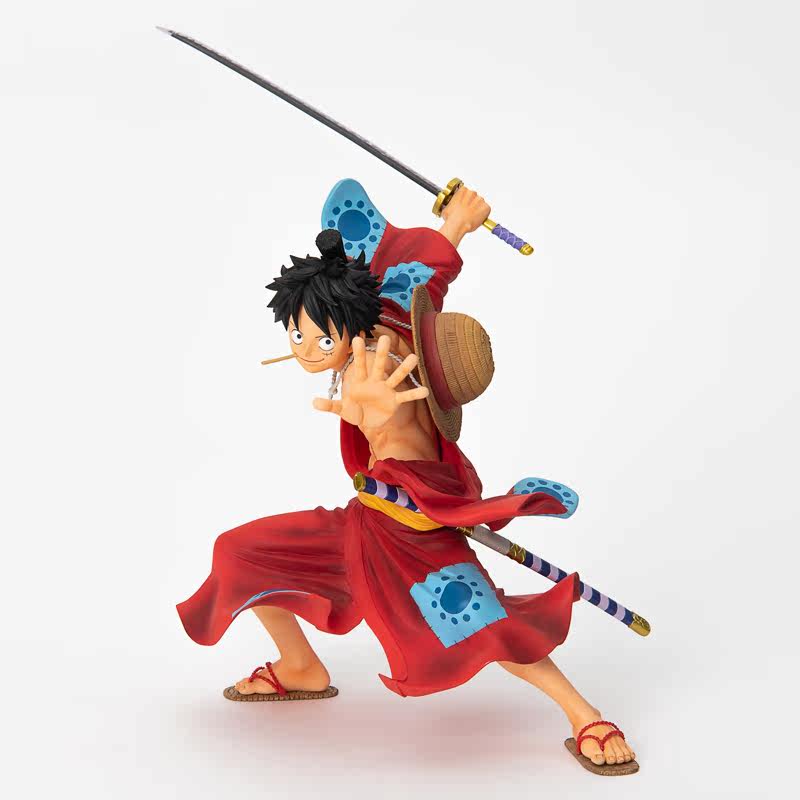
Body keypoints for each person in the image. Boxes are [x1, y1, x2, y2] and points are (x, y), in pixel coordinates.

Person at [177, 187, 637, 772]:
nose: (308, 353)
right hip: (366, 519)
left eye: (321, 340)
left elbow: (378, 410)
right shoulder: (389, 311)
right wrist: (457, 223)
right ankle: (300, 667)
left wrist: (361, 408)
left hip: (412, 531)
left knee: (484, 622)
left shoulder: (374, 375)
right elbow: (427, 277)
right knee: (242, 554)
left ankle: (583, 714)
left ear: (351, 328)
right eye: (298, 335)